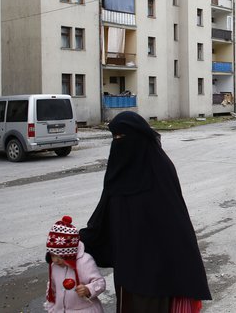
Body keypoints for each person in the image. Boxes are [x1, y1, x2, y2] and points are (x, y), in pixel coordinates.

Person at [79, 111, 211, 313]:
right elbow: (102, 218)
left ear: (139, 137)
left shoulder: (160, 169)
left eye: (122, 137)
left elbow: (176, 221)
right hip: (127, 265)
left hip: (158, 269)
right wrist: (72, 244)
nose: (118, 142)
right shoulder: (118, 171)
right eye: (114, 138)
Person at [44, 216, 106, 313]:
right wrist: (52, 307)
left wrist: (88, 289)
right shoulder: (54, 266)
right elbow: (52, 287)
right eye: (52, 255)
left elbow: (100, 283)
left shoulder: (85, 261)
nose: (55, 260)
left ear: (70, 254)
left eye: (60, 256)